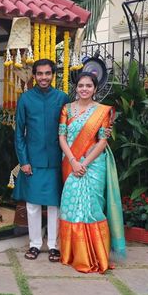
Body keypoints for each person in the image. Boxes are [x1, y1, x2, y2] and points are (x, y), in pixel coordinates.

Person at [58, 72, 126, 273]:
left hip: (93, 165)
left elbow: (102, 141)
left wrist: (84, 164)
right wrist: (73, 161)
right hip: (71, 162)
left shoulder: (102, 111)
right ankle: (73, 254)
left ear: (95, 89)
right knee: (70, 206)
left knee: (92, 207)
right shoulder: (67, 109)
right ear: (76, 88)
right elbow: (62, 137)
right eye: (81, 85)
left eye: (88, 86)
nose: (84, 89)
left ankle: (96, 255)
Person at [13, 59, 70, 262]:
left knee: (55, 204)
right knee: (33, 204)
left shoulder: (62, 98)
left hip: (57, 160)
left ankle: (54, 245)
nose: (44, 77)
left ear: (53, 74)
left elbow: (71, 129)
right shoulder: (26, 99)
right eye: (40, 74)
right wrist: (24, 160)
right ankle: (35, 244)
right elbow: (19, 133)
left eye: (47, 73)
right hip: (33, 160)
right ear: (34, 75)